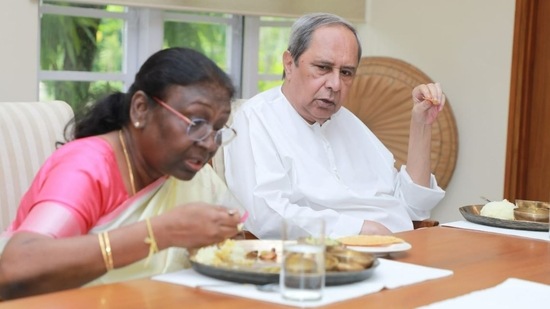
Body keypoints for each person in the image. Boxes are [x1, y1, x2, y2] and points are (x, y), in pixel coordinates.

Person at [0, 47, 244, 299]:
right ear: (140, 108)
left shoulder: (187, 171)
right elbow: (15, 269)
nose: (209, 143)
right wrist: (162, 232)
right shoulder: (88, 166)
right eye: (196, 123)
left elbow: (235, 243)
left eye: (217, 129)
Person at [223, 13, 446, 239]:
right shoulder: (256, 119)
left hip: (404, 247)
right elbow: (266, 215)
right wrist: (359, 229)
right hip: (332, 259)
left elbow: (413, 208)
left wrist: (421, 125)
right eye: (323, 67)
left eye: (346, 72)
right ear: (289, 64)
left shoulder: (349, 121)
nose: (335, 84)